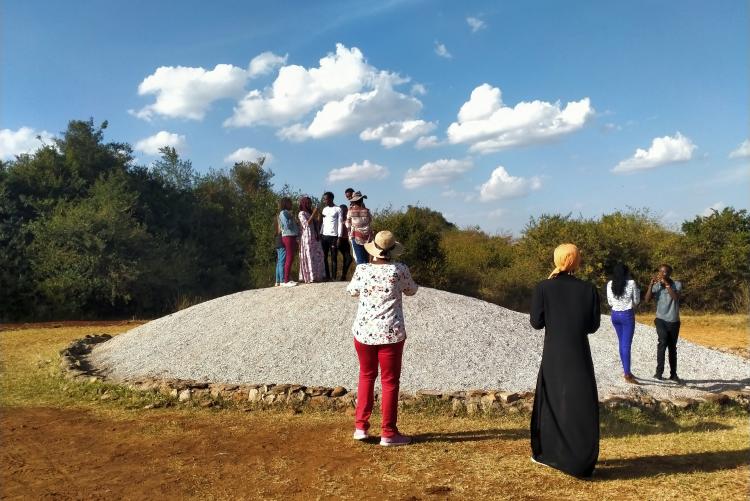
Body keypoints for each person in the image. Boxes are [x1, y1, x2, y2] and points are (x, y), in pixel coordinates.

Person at [529, 243, 600, 478]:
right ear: (577, 260)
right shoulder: (589, 289)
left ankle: (550, 452)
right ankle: (580, 458)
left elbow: (536, 323)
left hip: (553, 353)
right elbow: (592, 326)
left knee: (551, 400)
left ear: (557, 259)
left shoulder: (543, 287)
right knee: (580, 402)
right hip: (579, 352)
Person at [346, 230, 418, 446]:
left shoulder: (362, 269)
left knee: (366, 376)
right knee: (389, 382)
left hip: (364, 332)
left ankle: (361, 427)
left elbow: (352, 291)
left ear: (374, 249)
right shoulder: (400, 270)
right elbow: (412, 290)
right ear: (392, 250)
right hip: (391, 333)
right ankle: (388, 433)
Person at [644, 264, 683, 382]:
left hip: (674, 321)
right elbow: (646, 299)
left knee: (672, 347)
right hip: (661, 319)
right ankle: (658, 373)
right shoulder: (657, 286)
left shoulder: (677, 284)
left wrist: (667, 285)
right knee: (662, 342)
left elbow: (676, 298)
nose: (662, 274)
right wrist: (651, 284)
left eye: (665, 272)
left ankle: (673, 374)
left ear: (670, 273)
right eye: (661, 272)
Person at [606, 263, 641, 384]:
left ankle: (626, 371)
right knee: (626, 345)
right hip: (627, 315)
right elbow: (636, 301)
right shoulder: (631, 283)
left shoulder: (610, 284)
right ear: (626, 272)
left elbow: (610, 302)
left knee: (622, 343)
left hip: (615, 315)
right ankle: (627, 374)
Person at [297, 196, 325, 284]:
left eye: (310, 203)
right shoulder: (301, 213)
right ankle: (310, 277)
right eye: (308, 203)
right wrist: (314, 213)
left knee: (318, 255)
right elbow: (306, 224)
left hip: (314, 236)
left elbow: (317, 223)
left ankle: (318, 275)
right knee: (310, 256)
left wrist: (319, 214)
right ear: (304, 204)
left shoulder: (309, 213)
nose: (310, 205)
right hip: (307, 237)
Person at [320, 191, 344, 280]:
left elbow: (340, 223)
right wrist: (320, 233)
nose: (324, 201)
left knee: (334, 257)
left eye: (326, 199)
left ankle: (333, 277)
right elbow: (323, 222)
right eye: (324, 199)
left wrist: (339, 237)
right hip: (324, 236)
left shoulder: (338, 209)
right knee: (324, 257)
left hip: (334, 236)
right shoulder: (324, 209)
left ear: (331, 199)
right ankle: (327, 276)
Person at [277, 197, 299, 287]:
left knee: (291, 257)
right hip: (288, 236)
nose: (291, 204)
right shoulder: (283, 213)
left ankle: (288, 278)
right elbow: (287, 225)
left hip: (292, 236)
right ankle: (285, 281)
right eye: (290, 203)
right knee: (289, 257)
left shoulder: (286, 213)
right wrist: (291, 217)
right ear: (286, 204)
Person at [345, 191, 372, 265]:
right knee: (366, 258)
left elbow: (348, 223)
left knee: (359, 259)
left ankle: (361, 275)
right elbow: (370, 220)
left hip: (356, 236)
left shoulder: (350, 211)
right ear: (362, 200)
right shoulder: (366, 211)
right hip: (367, 237)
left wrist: (349, 233)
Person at [337, 203, 353, 280]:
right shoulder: (337, 220)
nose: (345, 212)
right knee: (346, 258)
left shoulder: (348, 219)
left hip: (345, 240)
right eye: (343, 210)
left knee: (348, 258)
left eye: (345, 210)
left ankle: (343, 276)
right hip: (339, 240)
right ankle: (336, 276)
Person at [273, 212, 286, 287]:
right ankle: (282, 280)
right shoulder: (279, 225)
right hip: (281, 242)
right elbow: (282, 229)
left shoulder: (274, 226)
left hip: (277, 242)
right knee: (281, 262)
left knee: (278, 262)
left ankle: (277, 281)